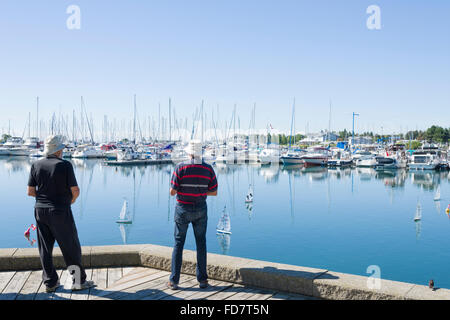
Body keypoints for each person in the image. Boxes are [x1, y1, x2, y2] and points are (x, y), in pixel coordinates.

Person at [27, 135, 95, 292]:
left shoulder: (36, 165)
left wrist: (45, 197)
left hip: (40, 211)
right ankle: (78, 282)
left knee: (45, 248)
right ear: (58, 150)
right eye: (62, 148)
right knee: (70, 247)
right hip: (60, 211)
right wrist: (70, 201)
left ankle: (50, 283)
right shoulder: (65, 166)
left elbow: (30, 192)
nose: (63, 150)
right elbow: (75, 191)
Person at [168, 140, 218, 290]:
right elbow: (214, 192)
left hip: (183, 208)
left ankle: (174, 281)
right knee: (201, 243)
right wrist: (201, 192)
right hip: (201, 209)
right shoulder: (208, 169)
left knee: (178, 243)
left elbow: (172, 192)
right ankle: (202, 280)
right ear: (200, 153)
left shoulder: (180, 167)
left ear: (189, 152)